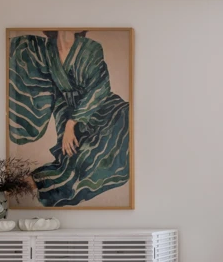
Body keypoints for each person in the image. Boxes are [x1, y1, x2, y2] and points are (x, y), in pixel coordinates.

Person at [8, 30, 131, 206]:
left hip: (105, 111)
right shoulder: (45, 50)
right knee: (72, 164)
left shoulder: (91, 48)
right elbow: (22, 53)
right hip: (68, 112)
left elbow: (100, 89)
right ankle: (18, 187)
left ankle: (26, 185)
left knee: (98, 157)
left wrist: (70, 124)